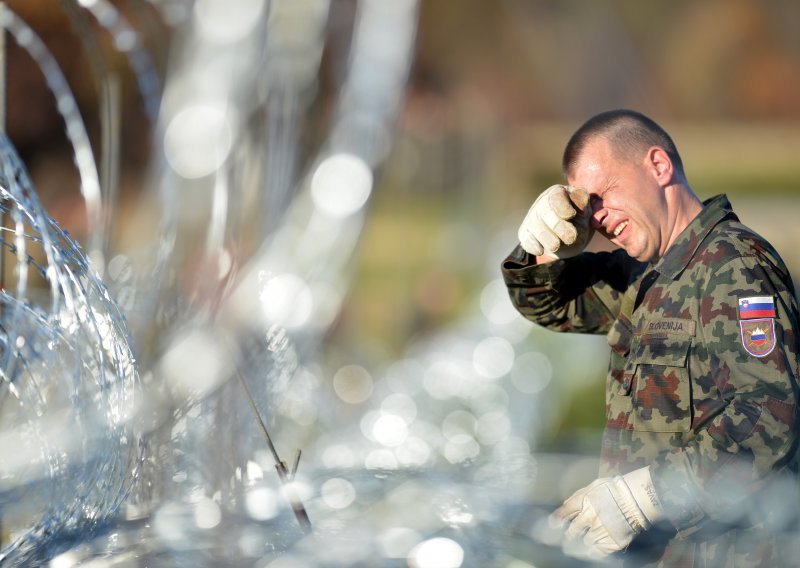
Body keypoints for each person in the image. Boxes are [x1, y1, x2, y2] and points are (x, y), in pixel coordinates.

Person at [501, 109, 800, 566]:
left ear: (658, 166)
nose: (597, 218)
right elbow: (549, 305)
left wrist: (646, 496)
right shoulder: (642, 276)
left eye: (603, 195)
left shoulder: (734, 265)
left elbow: (769, 414)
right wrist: (544, 248)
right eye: (585, 207)